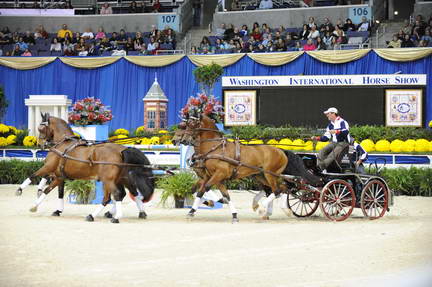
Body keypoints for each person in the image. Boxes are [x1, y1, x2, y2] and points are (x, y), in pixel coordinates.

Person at [311, 107, 351, 172]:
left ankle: (320, 168)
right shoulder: (330, 125)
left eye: (328, 114)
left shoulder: (342, 122)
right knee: (322, 151)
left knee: (332, 154)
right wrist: (316, 138)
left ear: (333, 114)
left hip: (343, 143)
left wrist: (336, 131)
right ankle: (320, 168)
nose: (327, 115)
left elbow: (346, 132)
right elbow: (326, 138)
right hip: (334, 143)